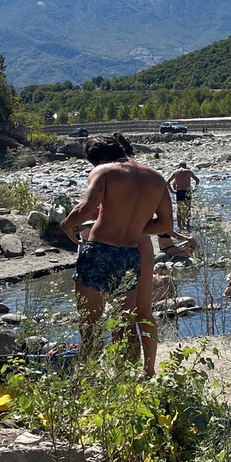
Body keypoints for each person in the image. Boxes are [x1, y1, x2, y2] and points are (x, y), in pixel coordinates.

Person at [60, 133, 172, 377]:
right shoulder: (156, 178)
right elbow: (165, 225)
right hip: (130, 255)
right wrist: (134, 227)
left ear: (98, 159)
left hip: (99, 251)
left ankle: (89, 381)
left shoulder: (104, 171)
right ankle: (126, 382)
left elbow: (86, 207)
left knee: (91, 324)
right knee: (125, 325)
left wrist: (66, 225)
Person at [166, 162, 200, 230]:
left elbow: (167, 182)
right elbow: (197, 180)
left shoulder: (176, 172)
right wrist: (194, 189)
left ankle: (179, 225)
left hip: (179, 191)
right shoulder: (188, 172)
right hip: (187, 191)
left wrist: (172, 191)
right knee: (188, 209)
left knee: (179, 209)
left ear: (179, 166)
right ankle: (187, 225)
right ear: (185, 166)